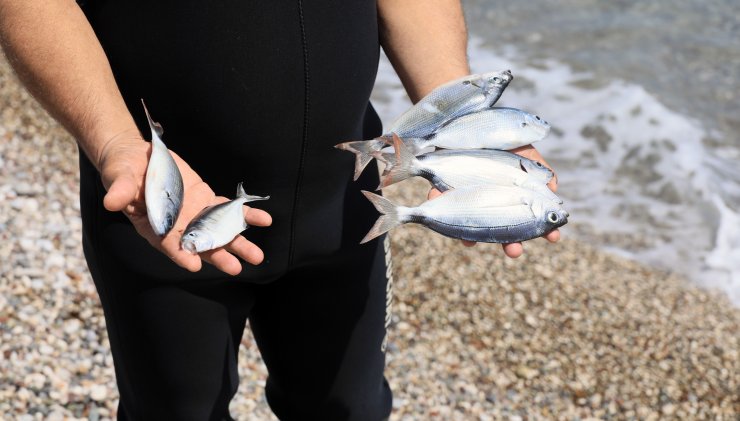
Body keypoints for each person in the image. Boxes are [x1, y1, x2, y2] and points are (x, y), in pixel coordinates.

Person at [0, 0, 559, 419]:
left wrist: (455, 116)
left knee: (350, 410)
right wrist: (117, 144)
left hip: (340, 201)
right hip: (161, 201)